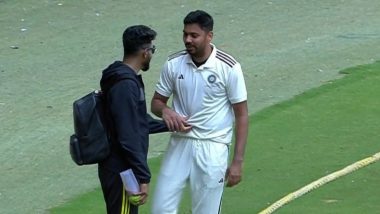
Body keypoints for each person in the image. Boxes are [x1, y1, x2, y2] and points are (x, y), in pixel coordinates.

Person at [151, 10, 249, 214]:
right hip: (179, 143)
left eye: (194, 35)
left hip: (212, 147)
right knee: (161, 209)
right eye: (185, 34)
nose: (188, 40)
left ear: (209, 36)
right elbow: (157, 102)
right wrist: (167, 112)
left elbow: (241, 115)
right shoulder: (173, 63)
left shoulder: (228, 67)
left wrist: (237, 162)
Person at [98, 25, 168, 214]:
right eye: (152, 50)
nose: (152, 54)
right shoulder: (126, 85)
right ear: (145, 53)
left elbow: (136, 121)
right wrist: (143, 177)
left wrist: (169, 125)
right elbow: (128, 135)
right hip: (123, 170)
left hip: (118, 166)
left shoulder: (118, 77)